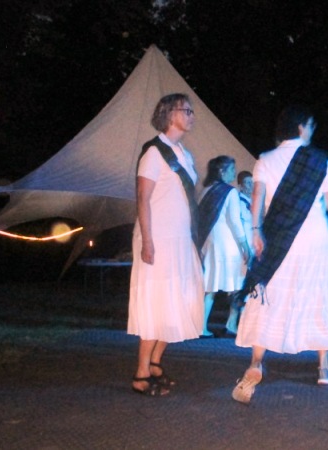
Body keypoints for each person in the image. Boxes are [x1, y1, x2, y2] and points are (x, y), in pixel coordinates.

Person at [230, 105, 328, 404]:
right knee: (319, 296)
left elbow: (257, 197)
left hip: (277, 239)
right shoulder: (319, 159)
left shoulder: (265, 159)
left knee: (267, 296)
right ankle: (324, 368)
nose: (311, 131)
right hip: (314, 240)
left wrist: (256, 231)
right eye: (310, 126)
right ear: (301, 127)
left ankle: (256, 363)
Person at [128, 93, 204, 396]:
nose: (191, 116)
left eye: (191, 111)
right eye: (186, 110)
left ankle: (156, 363)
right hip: (158, 240)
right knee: (157, 304)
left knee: (179, 301)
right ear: (169, 114)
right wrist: (147, 241)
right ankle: (141, 373)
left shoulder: (184, 153)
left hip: (181, 240)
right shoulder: (154, 153)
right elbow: (142, 199)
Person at [196, 156, 250, 338]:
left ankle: (202, 326)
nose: (234, 173)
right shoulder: (230, 192)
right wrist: (245, 246)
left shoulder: (205, 191)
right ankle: (232, 324)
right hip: (228, 244)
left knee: (210, 286)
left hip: (209, 243)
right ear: (222, 171)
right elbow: (235, 221)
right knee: (237, 284)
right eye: (232, 169)